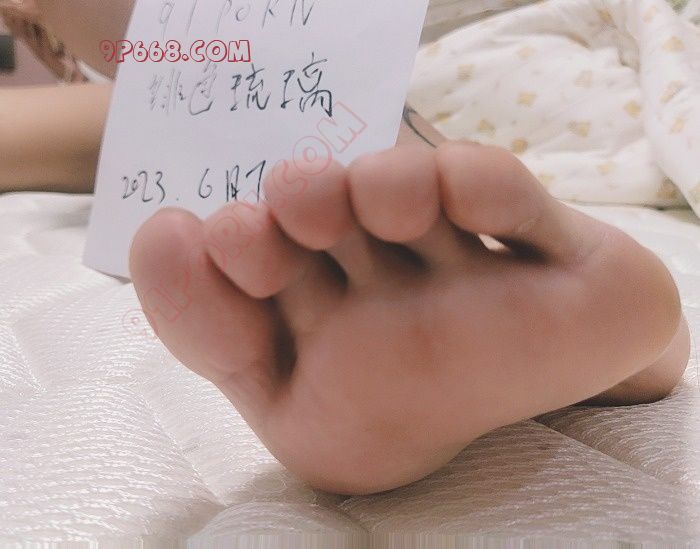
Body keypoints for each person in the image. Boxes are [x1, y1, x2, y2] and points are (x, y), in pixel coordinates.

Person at [1, 0, 690, 496]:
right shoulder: (130, 100)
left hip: (500, 62)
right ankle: (598, 323)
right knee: (386, 166)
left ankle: (600, 322)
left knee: (409, 169)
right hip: (288, 110)